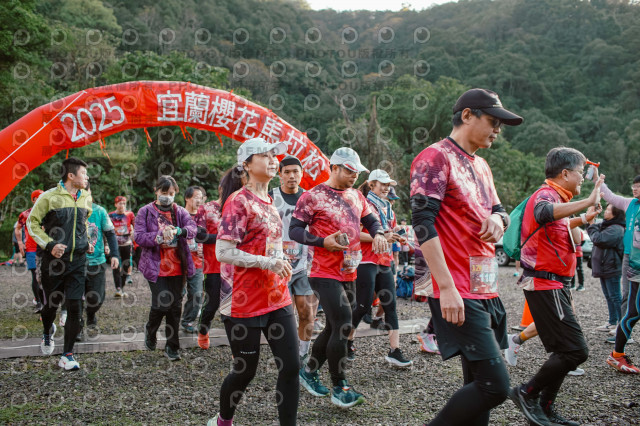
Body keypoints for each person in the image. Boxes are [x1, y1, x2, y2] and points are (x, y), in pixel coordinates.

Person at [410, 88, 521, 425]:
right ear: (468, 115)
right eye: (493, 121)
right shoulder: (435, 157)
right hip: (457, 286)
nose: (498, 129)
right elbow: (422, 222)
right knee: (495, 386)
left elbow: (501, 211)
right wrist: (446, 288)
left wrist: (498, 220)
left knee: (477, 380)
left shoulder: (482, 165)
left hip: (485, 285)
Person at [510, 147, 605, 426]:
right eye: (580, 173)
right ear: (565, 173)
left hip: (554, 284)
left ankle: (545, 407)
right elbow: (544, 214)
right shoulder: (545, 195)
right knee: (575, 350)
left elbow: (559, 224)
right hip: (545, 283)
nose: (583, 178)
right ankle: (526, 393)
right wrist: (588, 201)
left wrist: (585, 216)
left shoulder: (558, 197)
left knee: (565, 350)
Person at [209, 137, 298, 426]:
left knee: (291, 366)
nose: (273, 160)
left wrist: (282, 260)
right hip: (243, 302)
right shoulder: (238, 201)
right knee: (245, 371)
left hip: (277, 297)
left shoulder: (270, 200)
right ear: (246, 165)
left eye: (274, 155)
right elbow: (223, 252)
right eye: (265, 155)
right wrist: (267, 262)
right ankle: (223, 420)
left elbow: (269, 244)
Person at [291, 147, 388, 408]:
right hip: (322, 271)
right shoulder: (313, 196)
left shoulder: (357, 195)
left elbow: (372, 220)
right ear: (333, 168)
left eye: (357, 172)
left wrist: (379, 234)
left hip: (349, 269)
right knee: (344, 323)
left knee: (335, 326)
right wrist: (322, 241)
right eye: (349, 170)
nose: (354, 176)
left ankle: (309, 371)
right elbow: (295, 230)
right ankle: (339, 386)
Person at [27, 157, 93, 371]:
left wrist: (87, 241)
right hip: (54, 262)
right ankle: (47, 331)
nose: (87, 177)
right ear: (71, 176)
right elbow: (31, 223)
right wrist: (49, 245)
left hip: (78, 262)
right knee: (51, 306)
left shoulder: (86, 197)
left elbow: (84, 222)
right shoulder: (48, 197)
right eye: (84, 173)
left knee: (75, 307)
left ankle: (67, 355)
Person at [348, 169, 412, 367]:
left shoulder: (388, 208)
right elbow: (354, 234)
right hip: (366, 260)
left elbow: (389, 231)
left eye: (388, 185)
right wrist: (382, 236)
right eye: (382, 184)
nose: (386, 188)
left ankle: (395, 351)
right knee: (363, 305)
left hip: (385, 260)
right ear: (371, 184)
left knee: (390, 305)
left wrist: (397, 235)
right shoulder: (363, 204)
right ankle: (346, 340)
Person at [135, 175, 197, 361]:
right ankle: (150, 330)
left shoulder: (179, 212)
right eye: (164, 192)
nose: (168, 196)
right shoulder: (145, 212)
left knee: (175, 307)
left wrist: (181, 231)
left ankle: (172, 347)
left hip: (178, 266)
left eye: (171, 193)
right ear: (156, 191)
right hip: (156, 266)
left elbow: (193, 228)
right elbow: (139, 236)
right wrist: (159, 237)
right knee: (162, 304)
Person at [269, 155, 318, 364]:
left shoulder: (309, 198)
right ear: (279, 174)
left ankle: (302, 354)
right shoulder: (271, 197)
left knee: (307, 313)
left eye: (295, 171)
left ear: (301, 174)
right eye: (287, 172)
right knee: (284, 316)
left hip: (305, 265)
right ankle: (286, 355)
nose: (291, 176)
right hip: (279, 266)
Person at [82, 183, 120, 334]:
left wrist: (115, 255)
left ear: (90, 192)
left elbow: (110, 233)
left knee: (96, 298)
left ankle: (91, 313)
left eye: (86, 191)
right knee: (74, 299)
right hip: (76, 263)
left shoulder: (99, 211)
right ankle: (77, 327)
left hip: (97, 261)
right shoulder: (70, 211)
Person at [586, 203, 625, 333]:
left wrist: (591, 223)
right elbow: (593, 230)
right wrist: (592, 216)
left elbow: (598, 239)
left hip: (612, 267)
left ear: (615, 213)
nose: (605, 212)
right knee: (609, 296)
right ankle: (612, 322)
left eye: (608, 210)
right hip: (605, 267)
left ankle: (621, 325)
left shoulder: (616, 229)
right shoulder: (607, 225)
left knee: (615, 296)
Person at [181, 186, 206, 333]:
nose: (199, 200)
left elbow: (208, 236)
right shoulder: (178, 215)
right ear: (187, 198)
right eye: (196, 197)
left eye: (201, 197)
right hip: (178, 261)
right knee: (177, 295)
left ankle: (188, 321)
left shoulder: (203, 217)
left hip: (197, 262)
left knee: (197, 294)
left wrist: (205, 249)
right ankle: (172, 321)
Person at [16, 189, 44, 313]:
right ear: (33, 199)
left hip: (45, 248)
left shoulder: (48, 213)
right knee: (35, 275)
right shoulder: (25, 214)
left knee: (45, 275)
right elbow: (18, 228)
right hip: (31, 249)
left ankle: (46, 301)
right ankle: (39, 302)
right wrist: (20, 243)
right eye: (40, 197)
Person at [109, 196, 135, 297]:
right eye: (120, 203)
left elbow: (136, 226)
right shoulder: (110, 215)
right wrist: (106, 244)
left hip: (126, 243)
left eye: (124, 203)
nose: (122, 205)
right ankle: (118, 288)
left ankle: (122, 287)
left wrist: (134, 233)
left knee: (126, 265)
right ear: (115, 204)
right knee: (115, 265)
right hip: (114, 245)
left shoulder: (129, 214)